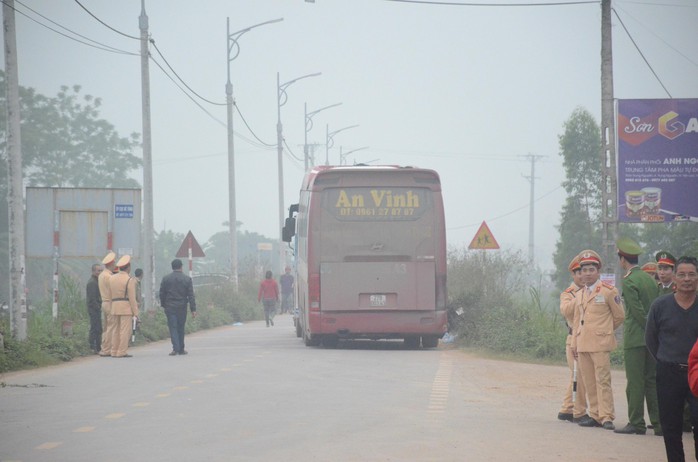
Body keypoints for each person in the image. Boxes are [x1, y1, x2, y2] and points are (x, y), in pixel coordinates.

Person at [646, 256, 698, 462]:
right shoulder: (660, 305)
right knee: (671, 428)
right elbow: (651, 339)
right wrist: (665, 359)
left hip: (696, 374)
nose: (687, 279)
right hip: (668, 373)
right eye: (682, 274)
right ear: (675, 278)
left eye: (692, 274)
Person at [572, 249, 625, 430]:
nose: (587, 274)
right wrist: (574, 344)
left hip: (600, 344)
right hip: (583, 343)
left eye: (591, 270)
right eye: (584, 270)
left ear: (598, 271)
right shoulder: (579, 294)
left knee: (603, 380)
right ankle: (594, 414)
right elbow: (576, 321)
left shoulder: (609, 291)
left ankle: (606, 416)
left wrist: (605, 331)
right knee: (589, 381)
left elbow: (619, 316)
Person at [613, 237, 661, 436]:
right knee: (651, 381)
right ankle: (659, 424)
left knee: (635, 382)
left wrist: (647, 328)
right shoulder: (649, 279)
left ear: (622, 259)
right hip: (653, 341)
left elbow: (637, 311)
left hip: (635, 339)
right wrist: (654, 333)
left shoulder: (630, 280)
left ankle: (637, 423)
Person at [558, 254, 588, 422]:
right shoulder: (569, 294)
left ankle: (567, 409)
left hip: (589, 339)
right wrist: (581, 296)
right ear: (573, 275)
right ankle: (576, 410)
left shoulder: (593, 291)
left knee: (578, 375)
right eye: (579, 273)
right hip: (573, 340)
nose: (583, 276)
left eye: (584, 272)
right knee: (579, 374)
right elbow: (566, 311)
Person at [159, 259, 197, 356]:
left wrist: (164, 305)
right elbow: (191, 295)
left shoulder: (166, 279)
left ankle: (175, 348)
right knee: (181, 327)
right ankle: (181, 349)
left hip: (170, 307)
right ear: (181, 267)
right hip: (182, 307)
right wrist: (193, 309)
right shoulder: (187, 279)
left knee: (173, 327)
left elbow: (162, 294)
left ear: (172, 267)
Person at [109, 255, 139, 358]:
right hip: (125, 307)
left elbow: (109, 294)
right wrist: (136, 313)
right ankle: (121, 351)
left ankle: (113, 350)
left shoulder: (111, 278)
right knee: (125, 330)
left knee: (115, 330)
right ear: (128, 267)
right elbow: (132, 298)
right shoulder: (129, 279)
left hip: (114, 306)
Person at [98, 251, 117, 357]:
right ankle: (107, 349)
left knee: (106, 327)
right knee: (111, 327)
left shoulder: (101, 275)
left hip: (104, 303)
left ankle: (104, 347)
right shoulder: (109, 276)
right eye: (114, 264)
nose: (115, 265)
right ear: (110, 264)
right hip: (110, 303)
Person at [86, 263, 103, 354]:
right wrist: (98, 307)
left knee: (98, 328)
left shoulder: (96, 281)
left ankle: (98, 347)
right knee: (95, 328)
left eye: (101, 270)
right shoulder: (92, 283)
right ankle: (93, 347)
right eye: (98, 270)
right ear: (93, 271)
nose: (99, 272)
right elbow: (92, 299)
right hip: (93, 309)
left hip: (96, 308)